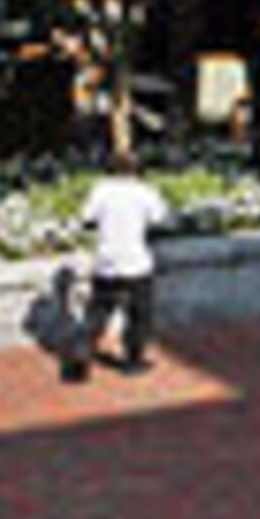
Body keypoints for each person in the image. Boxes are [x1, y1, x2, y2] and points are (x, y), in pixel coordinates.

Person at [80, 151, 168, 374]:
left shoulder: (100, 190)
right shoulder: (145, 192)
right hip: (136, 261)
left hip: (106, 260)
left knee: (98, 311)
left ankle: (82, 352)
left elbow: (87, 218)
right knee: (139, 314)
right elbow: (159, 218)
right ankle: (133, 360)